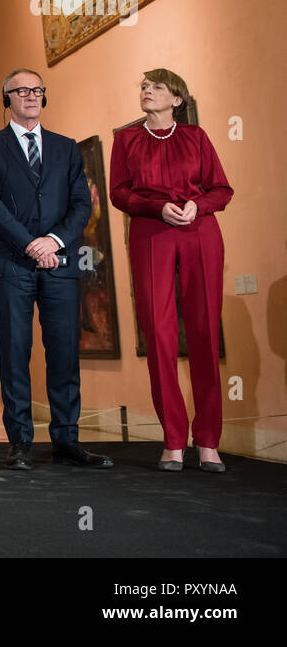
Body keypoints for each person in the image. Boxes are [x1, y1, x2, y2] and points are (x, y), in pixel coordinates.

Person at [0, 70, 112, 469]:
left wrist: (53, 242)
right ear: (7, 99)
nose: (31, 96)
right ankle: (20, 443)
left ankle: (67, 442)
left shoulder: (67, 148)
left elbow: (81, 205)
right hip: (10, 263)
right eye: (22, 90)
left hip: (60, 263)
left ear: (43, 98)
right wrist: (31, 244)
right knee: (16, 352)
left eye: (37, 90)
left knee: (65, 352)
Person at [108, 70, 232, 473]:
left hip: (200, 232)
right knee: (159, 335)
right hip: (150, 233)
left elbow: (221, 188)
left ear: (176, 99)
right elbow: (119, 192)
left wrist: (200, 205)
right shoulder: (126, 140)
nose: (146, 91)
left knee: (204, 331)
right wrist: (156, 207)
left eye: (156, 87)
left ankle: (209, 441)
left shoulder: (196, 138)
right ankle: (174, 440)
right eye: (143, 86)